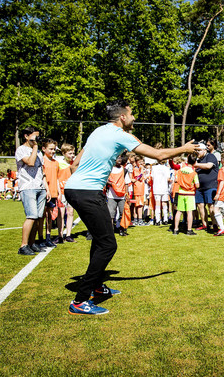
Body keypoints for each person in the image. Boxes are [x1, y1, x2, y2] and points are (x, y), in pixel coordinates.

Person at [65, 100, 196, 315]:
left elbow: (74, 164)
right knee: (108, 245)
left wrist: (82, 185)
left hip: (76, 189)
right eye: (132, 114)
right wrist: (185, 148)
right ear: (123, 117)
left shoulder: (98, 131)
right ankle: (80, 301)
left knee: (100, 240)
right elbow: (159, 155)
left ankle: (96, 285)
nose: (134, 118)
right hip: (87, 191)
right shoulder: (120, 135)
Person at [15, 127, 49, 255]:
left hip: (40, 187)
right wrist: (34, 148)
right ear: (26, 136)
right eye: (35, 136)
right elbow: (30, 162)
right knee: (31, 216)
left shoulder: (39, 152)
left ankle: (31, 243)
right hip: (27, 187)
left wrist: (46, 188)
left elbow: (42, 171)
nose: (37, 140)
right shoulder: (21, 150)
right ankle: (23, 245)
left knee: (38, 217)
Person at [193, 142, 219, 231]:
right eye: (196, 151)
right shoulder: (198, 159)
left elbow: (209, 166)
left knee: (210, 205)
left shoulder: (210, 156)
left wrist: (196, 165)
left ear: (204, 150)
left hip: (211, 185)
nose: (197, 152)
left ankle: (215, 224)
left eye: (199, 151)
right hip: (200, 187)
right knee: (200, 205)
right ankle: (204, 224)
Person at [173, 153, 199, 236]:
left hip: (181, 192)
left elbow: (176, 180)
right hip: (190, 194)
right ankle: (189, 230)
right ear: (195, 162)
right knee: (189, 212)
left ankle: (176, 229)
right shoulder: (194, 173)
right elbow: (197, 185)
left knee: (179, 211)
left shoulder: (181, 170)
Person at [42, 139, 61, 247]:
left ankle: (48, 237)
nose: (53, 151)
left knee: (49, 216)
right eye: (51, 149)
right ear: (44, 149)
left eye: (54, 149)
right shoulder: (42, 161)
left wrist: (59, 191)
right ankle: (40, 237)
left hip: (53, 193)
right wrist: (46, 190)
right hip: (44, 192)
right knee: (41, 216)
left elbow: (57, 178)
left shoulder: (56, 163)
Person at [57, 143, 76, 243]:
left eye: (73, 153)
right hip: (62, 191)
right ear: (64, 153)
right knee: (61, 213)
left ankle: (68, 234)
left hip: (71, 192)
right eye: (70, 153)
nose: (72, 155)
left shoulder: (75, 164)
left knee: (70, 212)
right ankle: (60, 235)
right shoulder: (59, 163)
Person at [106, 155, 129, 236]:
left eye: (120, 158)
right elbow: (105, 180)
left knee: (122, 213)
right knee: (111, 213)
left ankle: (121, 229)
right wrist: (112, 184)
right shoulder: (110, 169)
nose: (119, 160)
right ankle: (110, 230)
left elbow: (126, 182)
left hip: (122, 195)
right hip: (112, 195)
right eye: (117, 158)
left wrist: (126, 193)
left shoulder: (124, 170)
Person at [151, 159, 172, 226]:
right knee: (164, 204)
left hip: (156, 188)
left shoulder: (154, 168)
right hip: (164, 188)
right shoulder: (166, 168)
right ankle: (165, 219)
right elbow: (168, 178)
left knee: (157, 205)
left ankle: (158, 220)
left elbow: (152, 177)